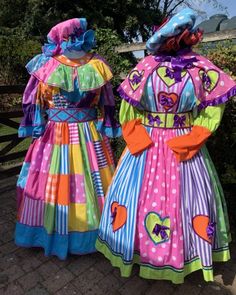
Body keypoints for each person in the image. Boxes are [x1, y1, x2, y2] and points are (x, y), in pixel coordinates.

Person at [96, 8, 236, 283]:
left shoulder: (196, 68)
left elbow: (212, 108)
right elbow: (129, 109)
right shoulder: (161, 68)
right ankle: (149, 252)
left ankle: (177, 255)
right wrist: (138, 138)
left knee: (180, 200)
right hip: (155, 144)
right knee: (175, 199)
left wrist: (193, 138)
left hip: (179, 144)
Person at [15, 18, 120, 260]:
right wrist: (107, 124)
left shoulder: (49, 65)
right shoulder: (96, 65)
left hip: (56, 135)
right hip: (85, 134)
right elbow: (107, 103)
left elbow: (34, 101)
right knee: (90, 182)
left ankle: (56, 232)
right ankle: (91, 233)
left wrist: (37, 124)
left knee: (54, 182)